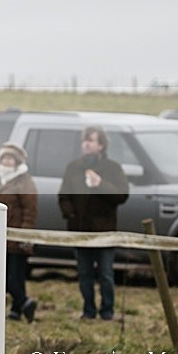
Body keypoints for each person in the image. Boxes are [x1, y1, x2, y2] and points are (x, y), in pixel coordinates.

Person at [58, 126, 129, 320]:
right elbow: (64, 196)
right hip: (80, 231)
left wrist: (101, 185)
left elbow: (122, 195)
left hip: (104, 232)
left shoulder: (113, 168)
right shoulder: (73, 167)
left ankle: (107, 311)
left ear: (101, 145)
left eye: (91, 140)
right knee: (84, 273)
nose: (86, 144)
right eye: (84, 140)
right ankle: (88, 310)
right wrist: (71, 215)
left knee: (106, 274)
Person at [0, 142, 38, 323]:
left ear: (17, 161)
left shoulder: (24, 181)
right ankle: (18, 308)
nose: (6, 161)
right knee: (5, 275)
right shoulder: (1, 178)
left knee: (15, 276)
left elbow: (30, 210)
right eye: (4, 158)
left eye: (10, 158)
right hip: (1, 237)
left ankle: (23, 302)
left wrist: (25, 236)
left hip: (17, 237)